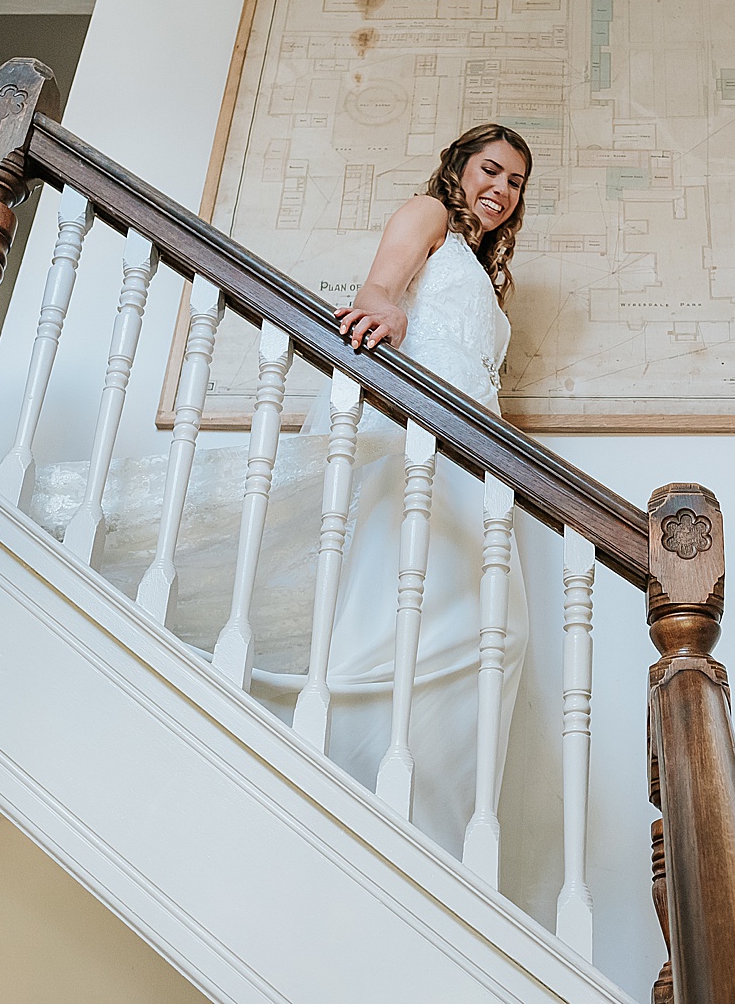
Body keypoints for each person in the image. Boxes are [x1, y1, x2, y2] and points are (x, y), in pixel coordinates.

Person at [32, 124, 536, 857]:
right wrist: (384, 306)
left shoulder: (490, 279)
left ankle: (432, 824)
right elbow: (381, 286)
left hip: (479, 457)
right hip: (421, 440)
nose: (502, 189)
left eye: (517, 182)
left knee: (493, 632)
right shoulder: (429, 214)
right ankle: (354, 783)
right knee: (398, 609)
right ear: (459, 168)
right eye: (491, 170)